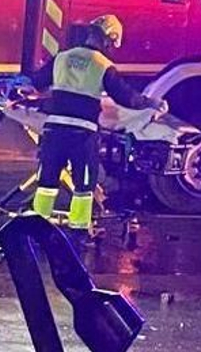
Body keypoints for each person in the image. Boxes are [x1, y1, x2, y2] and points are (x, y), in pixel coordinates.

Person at [30, 13, 163, 232]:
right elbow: (125, 97)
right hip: (82, 134)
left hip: (54, 130)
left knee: (46, 182)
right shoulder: (103, 65)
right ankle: (79, 230)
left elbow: (38, 82)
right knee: (84, 185)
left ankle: (36, 228)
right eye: (112, 43)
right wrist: (151, 103)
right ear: (108, 39)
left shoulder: (62, 57)